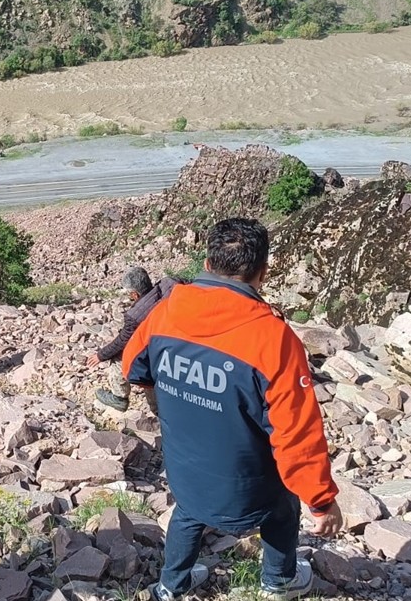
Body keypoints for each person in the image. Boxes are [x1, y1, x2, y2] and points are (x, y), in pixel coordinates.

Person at [122, 218, 342, 601]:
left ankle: (169, 587)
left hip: (185, 470)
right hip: (249, 486)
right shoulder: (273, 339)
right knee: (282, 510)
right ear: (263, 273)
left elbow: (134, 369)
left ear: (207, 263)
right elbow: (297, 433)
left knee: (187, 514)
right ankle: (279, 581)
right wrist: (320, 500)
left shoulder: (165, 313)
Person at [86, 266, 163, 412]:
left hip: (156, 353)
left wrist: (100, 356)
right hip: (177, 342)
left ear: (134, 294)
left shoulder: (135, 315)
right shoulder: (167, 285)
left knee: (119, 358)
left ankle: (119, 398)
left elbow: (123, 341)